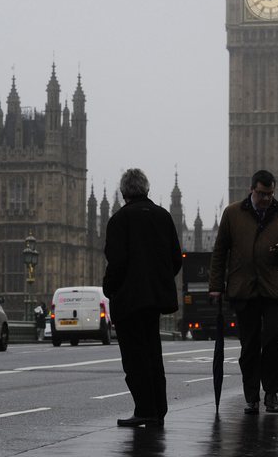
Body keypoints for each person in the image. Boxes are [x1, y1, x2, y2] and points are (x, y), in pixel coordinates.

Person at [209, 169, 278, 415]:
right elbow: (220, 252)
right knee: (249, 345)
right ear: (252, 189)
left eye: (270, 194)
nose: (266, 199)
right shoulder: (232, 213)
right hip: (244, 288)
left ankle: (271, 392)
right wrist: (216, 286)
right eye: (262, 194)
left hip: (274, 288)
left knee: (274, 339)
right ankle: (251, 396)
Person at [102, 168, 183, 428]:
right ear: (146, 189)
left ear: (124, 192)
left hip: (129, 301)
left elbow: (116, 262)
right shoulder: (163, 216)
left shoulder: (119, 220)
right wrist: (160, 281)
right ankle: (158, 409)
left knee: (135, 359)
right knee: (153, 354)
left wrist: (109, 289)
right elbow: (175, 258)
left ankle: (145, 410)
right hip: (154, 301)